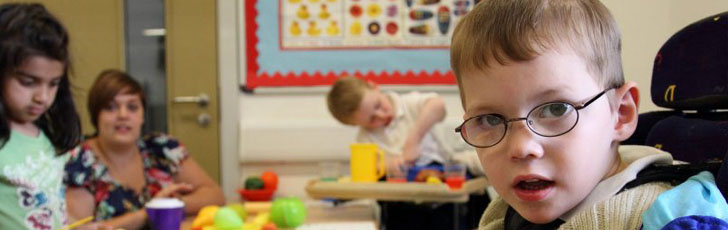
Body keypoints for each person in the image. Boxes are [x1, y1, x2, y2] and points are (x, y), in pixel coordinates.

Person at [450, 0, 725, 229]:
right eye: (490, 120)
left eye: (555, 109)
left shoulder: (674, 216)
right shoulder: (503, 214)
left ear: (621, 114)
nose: (521, 148)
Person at [64, 69, 225, 229]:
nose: (123, 115)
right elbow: (81, 229)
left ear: (142, 116)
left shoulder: (162, 148)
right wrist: (148, 213)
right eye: (111, 107)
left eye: (132, 107)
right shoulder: (80, 161)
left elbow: (215, 195)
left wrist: (173, 204)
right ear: (96, 115)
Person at [0, 3, 82, 229]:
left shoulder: (46, 134)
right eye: (28, 82)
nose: (42, 97)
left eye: (53, 84)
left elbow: (49, 210)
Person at [327, 76, 482, 174]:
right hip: (407, 191)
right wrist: (391, 165)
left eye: (378, 105)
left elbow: (438, 106)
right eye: (371, 120)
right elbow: (374, 166)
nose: (382, 116)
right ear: (356, 124)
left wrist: (413, 140)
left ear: (374, 87)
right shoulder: (365, 138)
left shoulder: (408, 103)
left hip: (442, 169)